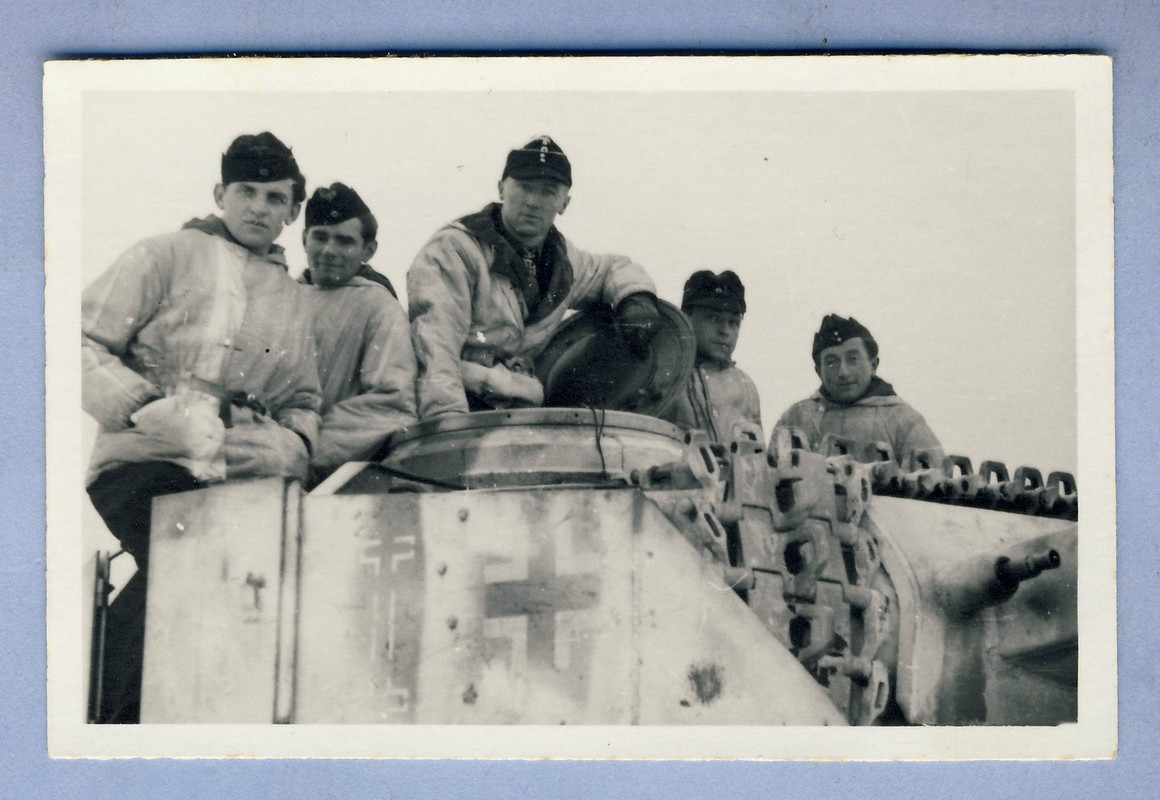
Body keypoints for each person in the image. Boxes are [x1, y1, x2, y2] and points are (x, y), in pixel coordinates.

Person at [82, 132, 322, 723]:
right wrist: (143, 406)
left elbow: (304, 400)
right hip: (148, 458)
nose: (258, 208)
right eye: (246, 192)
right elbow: (76, 341)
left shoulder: (293, 299)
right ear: (220, 193)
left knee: (240, 587)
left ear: (292, 211)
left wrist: (289, 445)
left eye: (275, 197)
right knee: (188, 562)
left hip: (240, 473)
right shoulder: (164, 254)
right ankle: (116, 722)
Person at [407, 135, 660, 418]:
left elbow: (611, 269)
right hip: (457, 404)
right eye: (524, 187)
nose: (532, 202)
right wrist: (448, 422)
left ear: (564, 203)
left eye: (547, 192)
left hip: (520, 411)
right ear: (501, 188)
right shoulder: (456, 250)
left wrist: (636, 297)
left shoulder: (564, 262)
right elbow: (435, 344)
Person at [299, 183, 418, 479]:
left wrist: (303, 449)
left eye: (344, 241)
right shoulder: (280, 298)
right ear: (304, 239)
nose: (329, 250)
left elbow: (391, 404)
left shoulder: (378, 308)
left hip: (324, 472)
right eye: (320, 237)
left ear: (368, 250)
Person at [775, 314, 943, 466]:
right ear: (819, 371)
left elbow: (935, 480)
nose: (843, 372)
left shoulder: (902, 420)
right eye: (831, 362)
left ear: (873, 365)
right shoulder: (796, 418)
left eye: (852, 359)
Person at [662, 270, 763, 444]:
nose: (725, 331)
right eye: (713, 318)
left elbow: (755, 453)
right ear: (686, 318)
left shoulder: (745, 387)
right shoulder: (664, 374)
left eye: (733, 322)